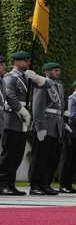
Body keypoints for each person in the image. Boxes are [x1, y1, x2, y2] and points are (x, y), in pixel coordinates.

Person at [0, 51, 39, 195]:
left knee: (17, 155)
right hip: (11, 119)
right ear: (16, 62)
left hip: (21, 121)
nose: (27, 63)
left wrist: (36, 78)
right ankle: (3, 184)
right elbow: (10, 96)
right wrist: (22, 111)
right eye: (24, 61)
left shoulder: (25, 78)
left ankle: (10, 184)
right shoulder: (10, 77)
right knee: (8, 154)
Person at [29, 61, 64, 195]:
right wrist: (39, 127)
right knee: (39, 157)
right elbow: (37, 107)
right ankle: (35, 185)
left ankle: (45, 184)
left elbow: (60, 108)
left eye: (58, 70)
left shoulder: (59, 86)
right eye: (55, 70)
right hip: (45, 125)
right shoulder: (42, 84)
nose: (58, 72)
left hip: (55, 127)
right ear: (46, 72)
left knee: (51, 158)